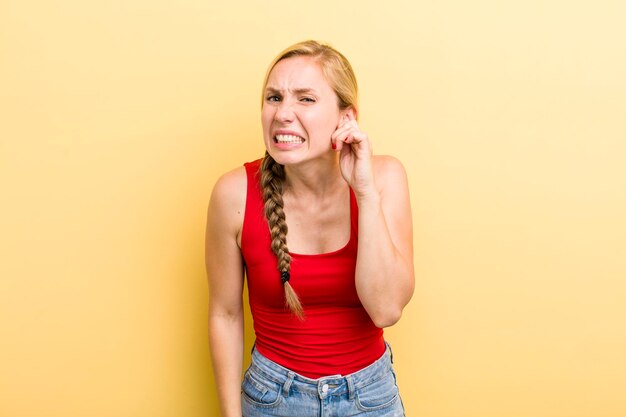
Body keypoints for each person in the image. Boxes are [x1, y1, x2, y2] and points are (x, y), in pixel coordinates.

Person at [206, 40, 414, 417]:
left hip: (371, 398)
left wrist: (364, 192)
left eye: (305, 99)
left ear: (346, 117)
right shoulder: (233, 193)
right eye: (273, 98)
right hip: (272, 399)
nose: (283, 113)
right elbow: (225, 314)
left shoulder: (384, 178)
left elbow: (385, 309)